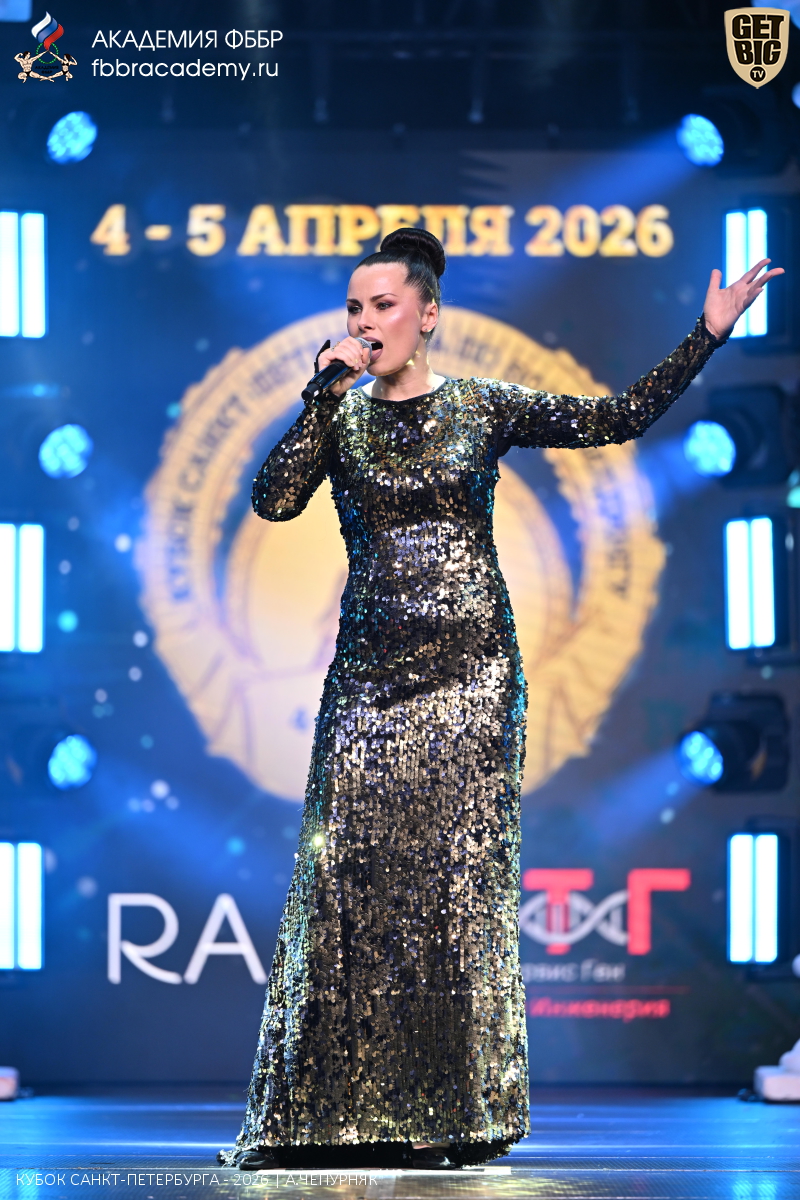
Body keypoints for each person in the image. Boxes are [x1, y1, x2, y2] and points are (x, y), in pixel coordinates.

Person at [217, 227, 782, 1171]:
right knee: (345, 881)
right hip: (369, 682)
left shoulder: (481, 405)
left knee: (453, 890)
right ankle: (321, 1117)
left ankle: (453, 1113)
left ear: (427, 315)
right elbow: (273, 500)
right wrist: (321, 392)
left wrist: (707, 335)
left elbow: (618, 418)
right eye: (353, 308)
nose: (365, 322)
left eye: (383, 306)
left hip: (471, 678)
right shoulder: (339, 417)